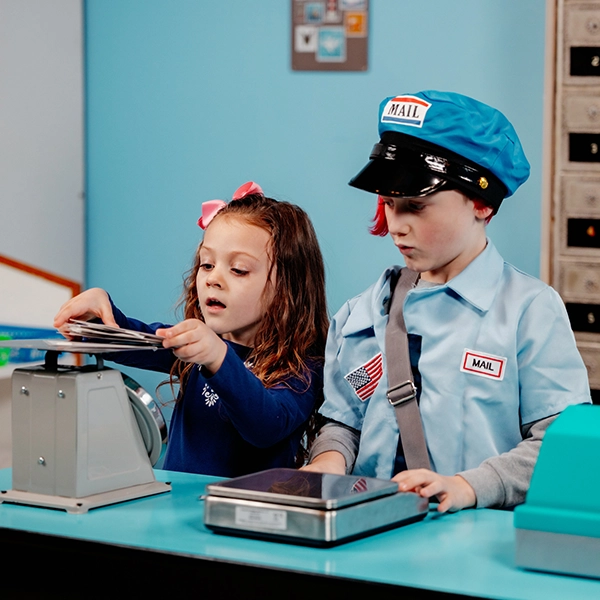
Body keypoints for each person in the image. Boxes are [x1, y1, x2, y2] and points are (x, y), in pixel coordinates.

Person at [304, 91, 591, 512]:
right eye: (390, 204)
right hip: (366, 535)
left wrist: (469, 486)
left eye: (416, 206)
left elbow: (560, 444)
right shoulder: (360, 314)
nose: (397, 226)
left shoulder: (529, 312)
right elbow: (342, 423)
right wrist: (328, 461)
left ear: (482, 202)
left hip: (479, 545)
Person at [54, 182, 329, 477]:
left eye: (238, 269)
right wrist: (98, 318)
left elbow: (266, 426)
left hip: (242, 520)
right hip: (175, 512)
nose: (213, 279)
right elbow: (134, 339)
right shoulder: (198, 346)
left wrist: (218, 358)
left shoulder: (302, 368)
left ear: (288, 288)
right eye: (206, 264)